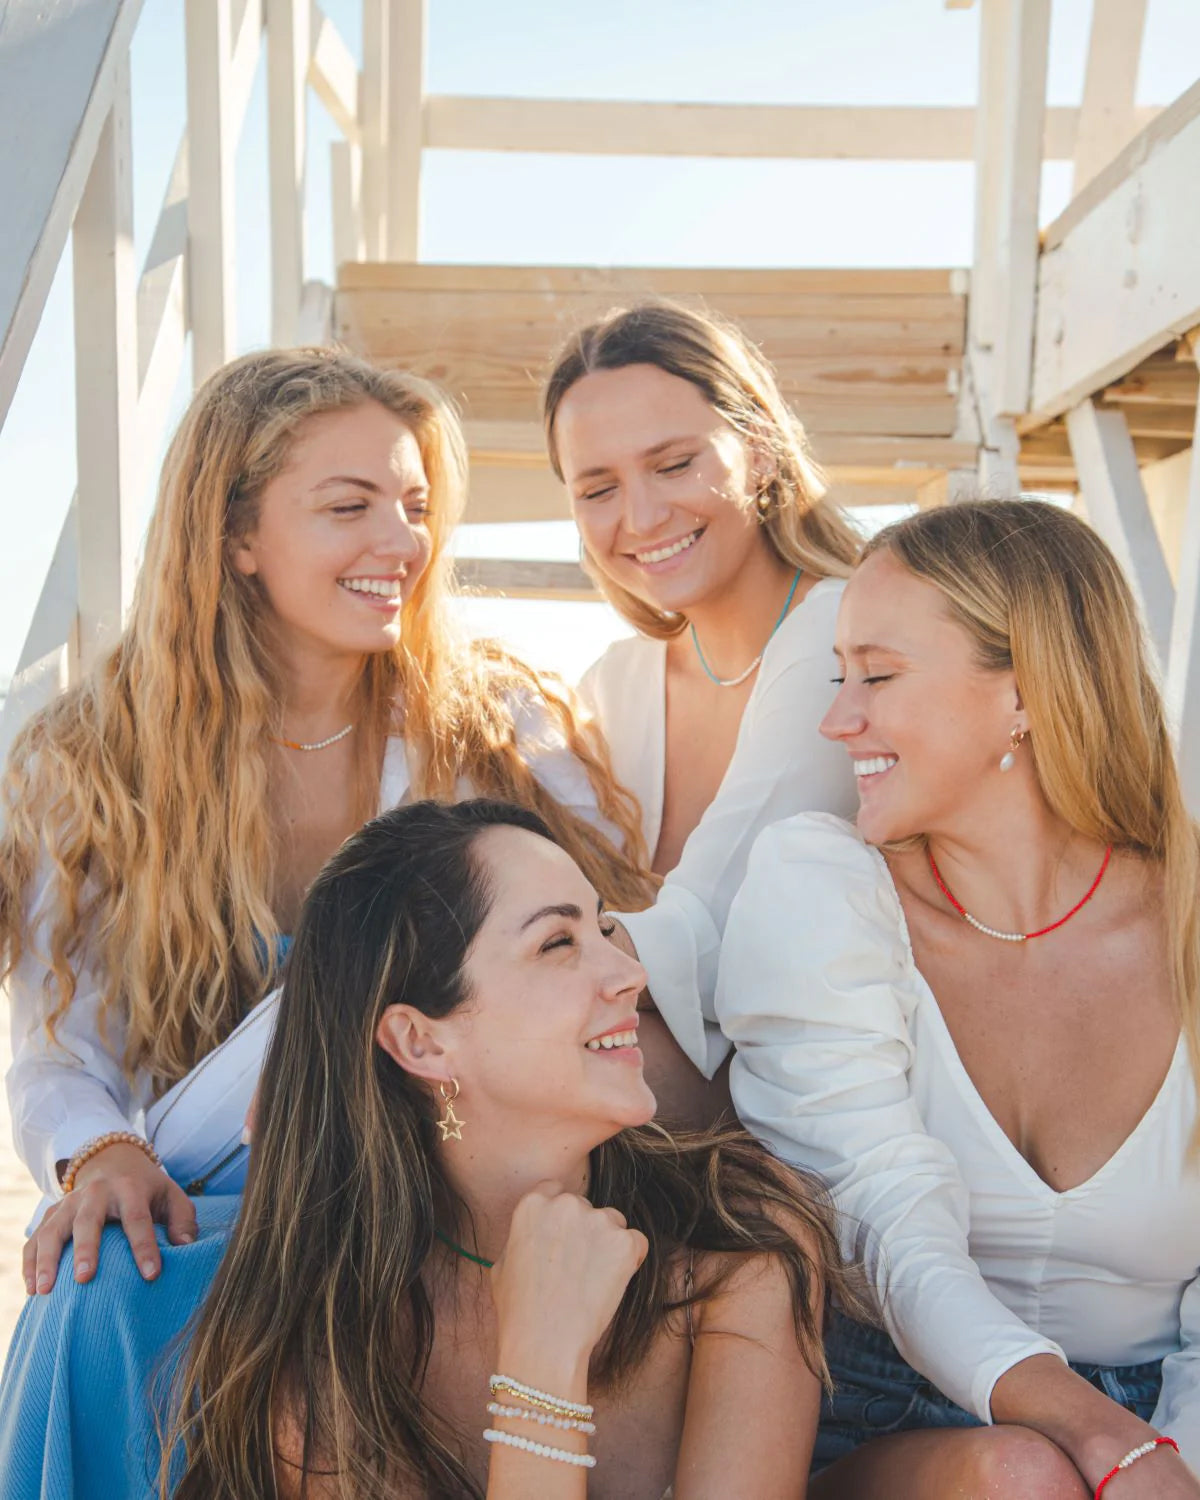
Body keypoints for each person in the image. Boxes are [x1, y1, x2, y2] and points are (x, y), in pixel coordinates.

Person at [0, 350, 653, 1496]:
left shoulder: (491, 721)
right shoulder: (97, 760)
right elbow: (61, 1045)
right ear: (235, 535)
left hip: (435, 1176)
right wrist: (103, 1152)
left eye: (416, 506)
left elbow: (619, 934)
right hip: (222, 1189)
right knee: (96, 1278)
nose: (401, 542)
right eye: (349, 507)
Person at [704, 501, 1200, 1497]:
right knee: (1024, 1476)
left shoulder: (1186, 916)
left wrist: (1172, 1456)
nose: (837, 720)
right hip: (889, 1409)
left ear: (1024, 693)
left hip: (1167, 1414)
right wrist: (1106, 1440)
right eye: (840, 675)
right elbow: (888, 1230)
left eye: (878, 676)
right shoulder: (823, 892)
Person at [164, 798, 861, 1499]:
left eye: (604, 928)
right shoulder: (332, 1340)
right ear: (421, 1042)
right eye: (558, 944)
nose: (629, 973)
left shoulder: (737, 1240)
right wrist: (542, 1362)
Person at [544, 301, 861, 1118]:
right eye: (598, 488)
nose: (641, 518)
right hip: (671, 1107)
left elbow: (713, 924)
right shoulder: (614, 684)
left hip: (840, 1101)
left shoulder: (846, 634)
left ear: (759, 451)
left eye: (675, 464)